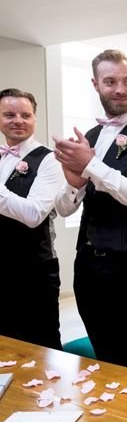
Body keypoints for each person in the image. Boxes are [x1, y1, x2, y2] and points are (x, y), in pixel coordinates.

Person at [54, 49, 127, 373]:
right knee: (103, 355)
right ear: (96, 85)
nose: (120, 89)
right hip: (89, 266)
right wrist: (75, 182)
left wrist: (92, 166)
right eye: (110, 82)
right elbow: (65, 209)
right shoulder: (90, 137)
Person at [0, 88, 65, 349]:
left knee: (41, 346)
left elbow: (33, 214)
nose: (18, 120)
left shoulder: (48, 159)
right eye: (9, 114)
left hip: (33, 271)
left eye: (25, 114)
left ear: (35, 119)